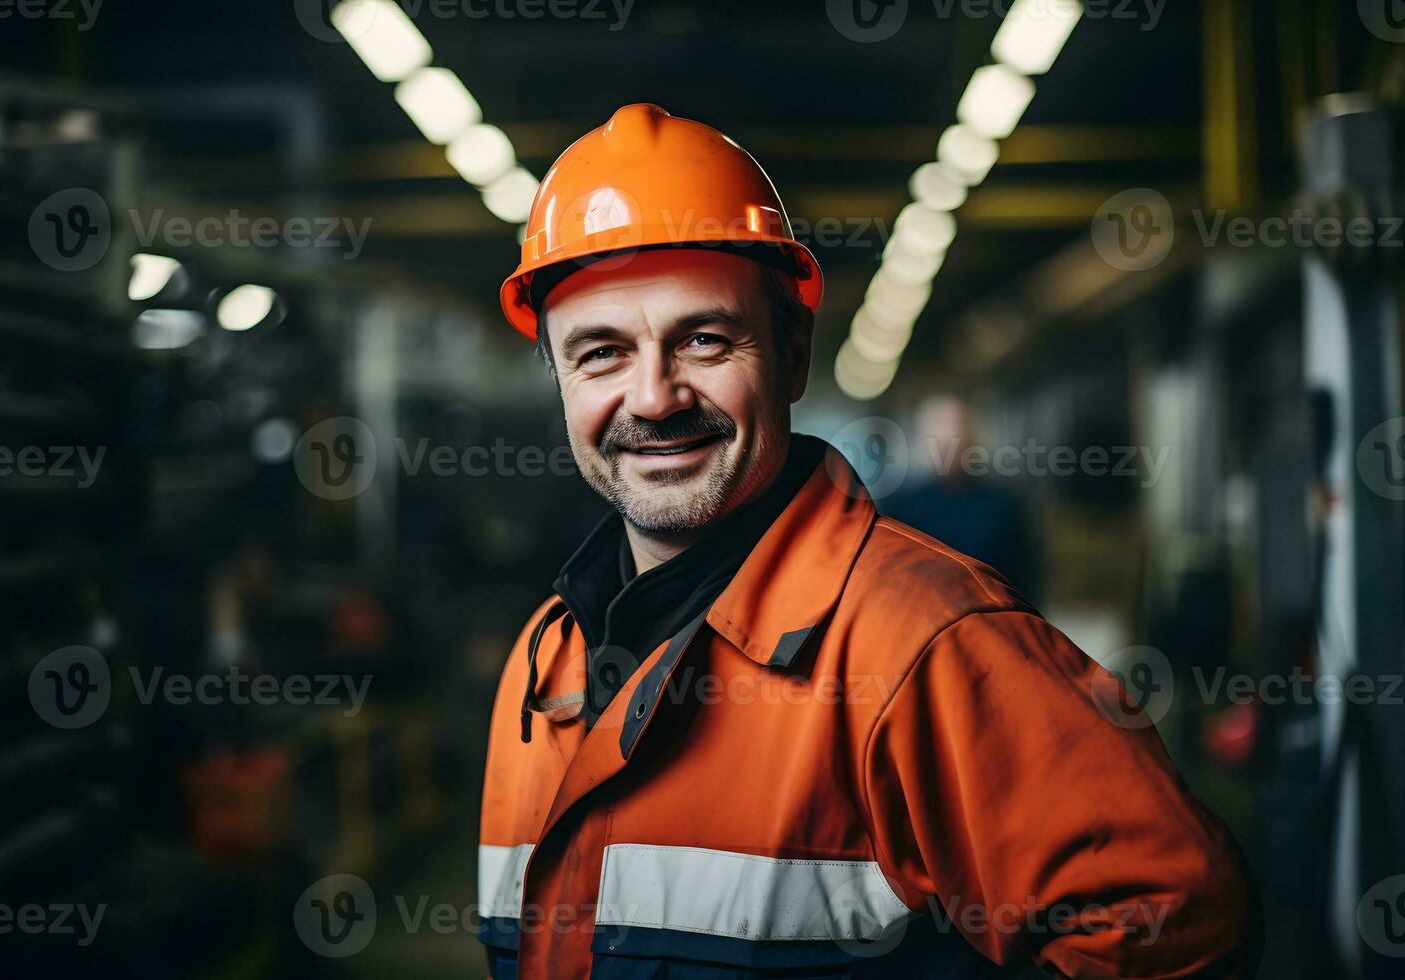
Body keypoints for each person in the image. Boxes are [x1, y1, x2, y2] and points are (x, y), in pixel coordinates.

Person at [479, 104, 1256, 979]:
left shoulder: (930, 645)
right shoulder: (544, 661)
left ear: (793, 352)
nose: (655, 397)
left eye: (703, 338)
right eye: (601, 354)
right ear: (558, 377)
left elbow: (1178, 925)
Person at [882, 395, 1040, 602]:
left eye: (956, 431)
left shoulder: (1003, 508)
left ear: (972, 438)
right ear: (922, 440)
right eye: (938, 433)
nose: (948, 439)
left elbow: (1026, 581)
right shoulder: (899, 510)